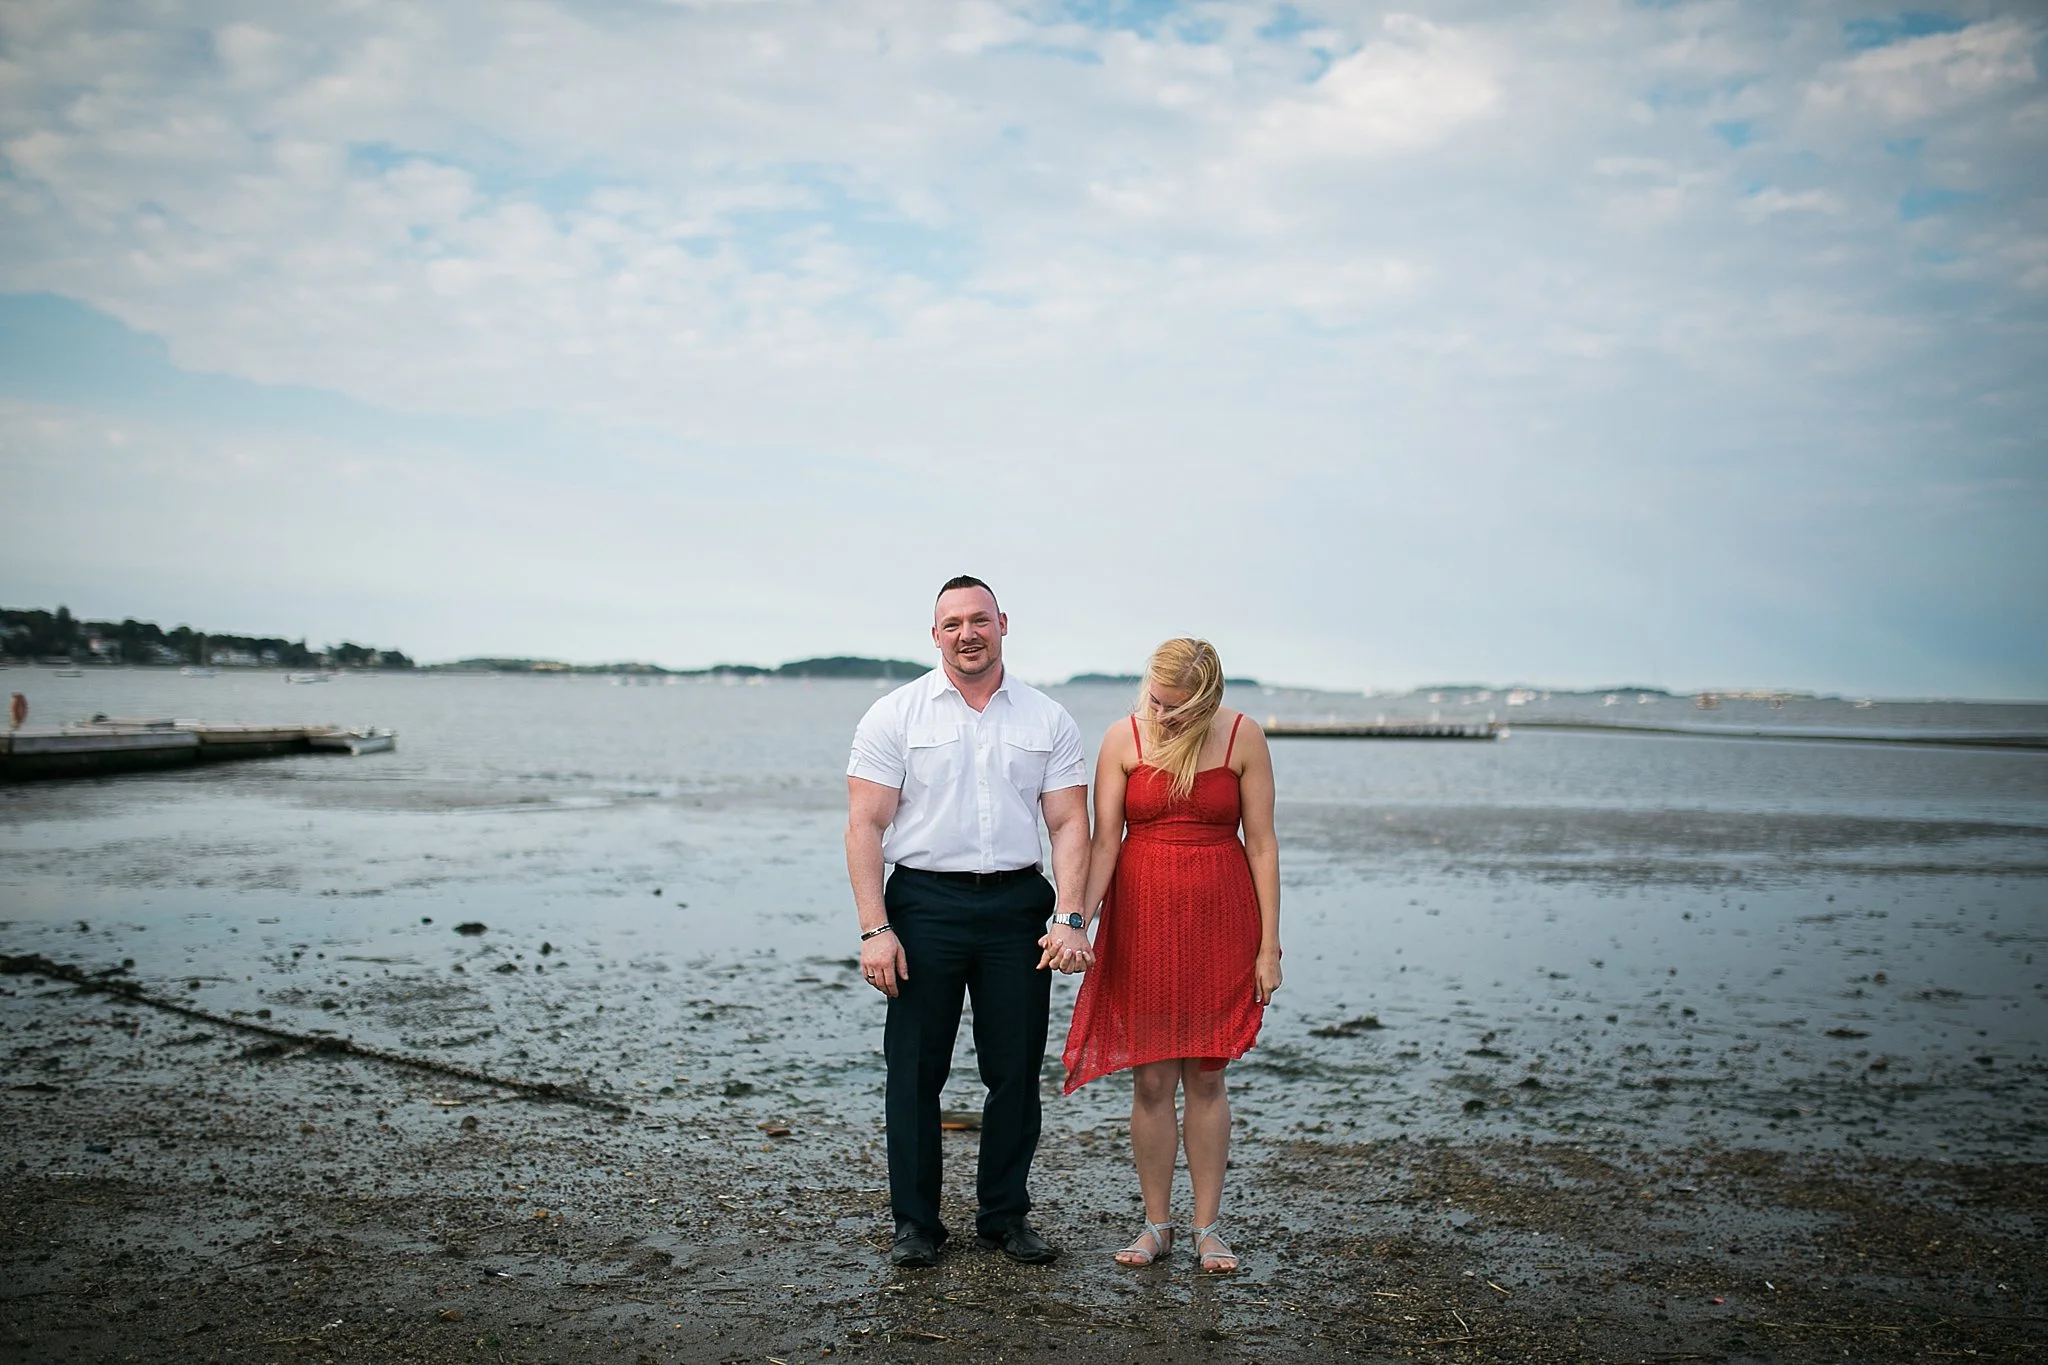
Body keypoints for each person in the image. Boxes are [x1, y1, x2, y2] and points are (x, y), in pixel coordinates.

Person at [845, 575, 1095, 1268]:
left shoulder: (1047, 718)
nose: (967, 633)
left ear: (1003, 623)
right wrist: (875, 928)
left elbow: (1072, 821)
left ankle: (1004, 1216)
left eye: (978, 619)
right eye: (952, 622)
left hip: (1019, 906)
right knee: (914, 1070)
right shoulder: (895, 715)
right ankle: (916, 1224)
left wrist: (1069, 915)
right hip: (923, 905)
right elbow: (864, 825)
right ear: (935, 635)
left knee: (1014, 1068)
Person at [1057, 638, 1281, 1273]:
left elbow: (1261, 845)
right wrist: (1076, 922)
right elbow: (1104, 844)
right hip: (1142, 922)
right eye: (1156, 701)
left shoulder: (1243, 737)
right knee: (1152, 1078)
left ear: (1207, 699)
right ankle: (1157, 1225)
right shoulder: (1122, 739)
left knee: (1208, 1076)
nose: (1163, 715)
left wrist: (1270, 946)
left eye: (1177, 708)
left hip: (1221, 923)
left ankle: (1208, 1227)